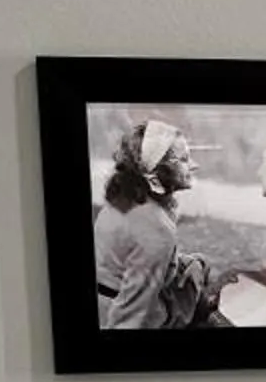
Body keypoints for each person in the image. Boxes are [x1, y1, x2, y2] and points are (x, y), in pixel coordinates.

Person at [94, 119, 226, 329]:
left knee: (196, 263)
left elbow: (128, 259)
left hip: (106, 297)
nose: (194, 166)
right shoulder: (157, 229)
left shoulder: (122, 197)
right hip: (122, 312)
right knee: (198, 271)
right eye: (183, 160)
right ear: (154, 180)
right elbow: (130, 316)